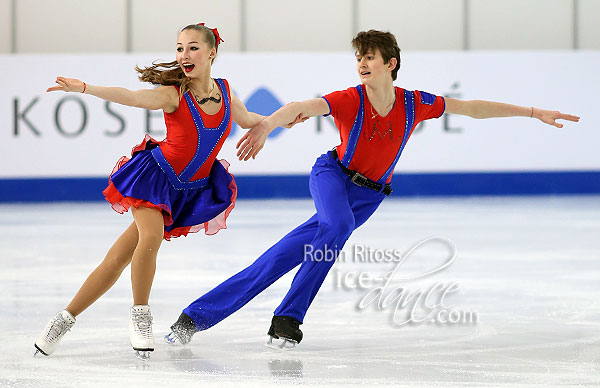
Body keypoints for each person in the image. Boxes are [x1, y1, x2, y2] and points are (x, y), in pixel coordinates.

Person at [165, 29, 580, 349]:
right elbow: (301, 108)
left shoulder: (415, 103)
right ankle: (288, 319)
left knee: (283, 256)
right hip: (332, 177)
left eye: (369, 57)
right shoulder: (350, 99)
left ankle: (195, 318)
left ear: (390, 63)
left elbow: (471, 109)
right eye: (358, 58)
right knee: (337, 225)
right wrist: (269, 124)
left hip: (370, 195)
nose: (361, 63)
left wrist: (531, 112)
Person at [33, 23, 302, 360]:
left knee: (116, 260)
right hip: (155, 178)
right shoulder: (174, 94)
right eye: (179, 48)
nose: (183, 55)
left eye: (191, 47)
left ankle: (62, 320)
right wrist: (85, 88)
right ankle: (140, 316)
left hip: (187, 190)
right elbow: (129, 97)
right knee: (151, 237)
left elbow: (247, 119)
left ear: (211, 53)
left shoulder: (226, 91)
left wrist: (281, 119)